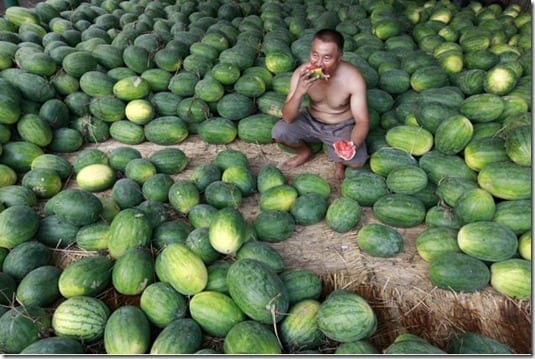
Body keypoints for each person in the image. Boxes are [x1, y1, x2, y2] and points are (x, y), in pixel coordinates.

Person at [271, 28, 370, 181]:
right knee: (279, 132)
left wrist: (352, 145)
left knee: (356, 162)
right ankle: (305, 152)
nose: (318, 63)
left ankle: (339, 161)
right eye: (315, 55)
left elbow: (362, 121)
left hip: (341, 125)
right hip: (311, 120)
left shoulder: (353, 78)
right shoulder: (301, 73)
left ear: (339, 57)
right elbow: (288, 118)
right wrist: (299, 92)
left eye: (327, 58)